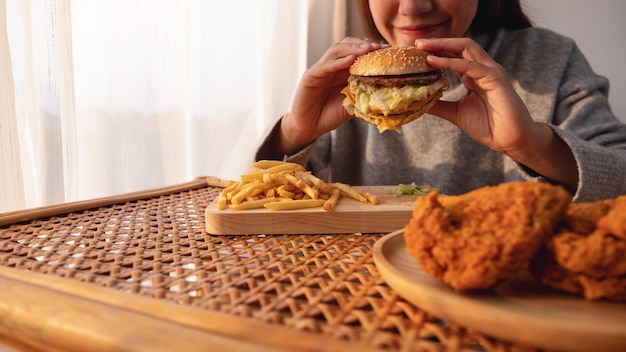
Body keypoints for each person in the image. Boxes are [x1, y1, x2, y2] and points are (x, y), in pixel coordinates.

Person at [255, 0, 626, 201]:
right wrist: (295, 132)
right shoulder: (345, 75)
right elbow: (270, 205)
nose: (413, 7)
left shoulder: (549, 59)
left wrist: (530, 144)